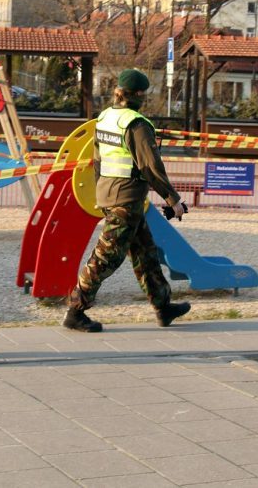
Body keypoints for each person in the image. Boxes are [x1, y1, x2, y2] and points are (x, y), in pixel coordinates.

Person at [63, 68, 192, 332]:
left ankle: (163, 306)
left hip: (110, 195)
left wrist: (101, 193)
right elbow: (150, 167)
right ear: (139, 94)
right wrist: (172, 199)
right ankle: (75, 311)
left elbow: (98, 161)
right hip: (127, 199)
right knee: (105, 257)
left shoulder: (106, 117)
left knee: (146, 254)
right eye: (144, 93)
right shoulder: (136, 124)